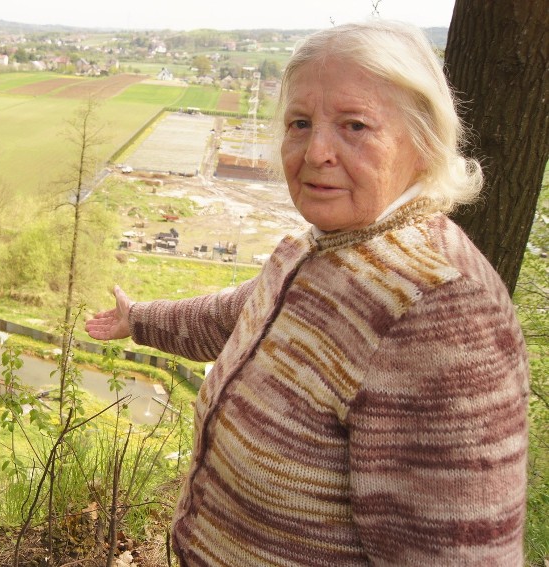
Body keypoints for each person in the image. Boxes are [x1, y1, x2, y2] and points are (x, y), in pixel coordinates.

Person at [86, 19, 529, 566]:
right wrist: (141, 320)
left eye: (355, 126)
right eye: (301, 122)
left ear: (424, 141)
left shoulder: (443, 313)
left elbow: (460, 555)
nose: (317, 150)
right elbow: (243, 313)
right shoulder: (323, 246)